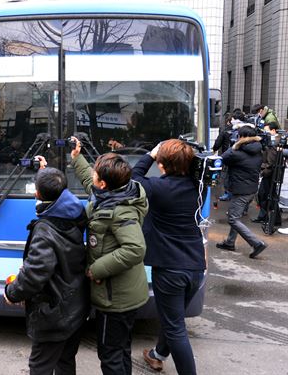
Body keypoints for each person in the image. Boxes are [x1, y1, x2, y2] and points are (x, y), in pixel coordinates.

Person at [70, 139, 149, 375]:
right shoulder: (113, 193)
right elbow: (89, 183)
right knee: (120, 348)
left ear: (103, 183)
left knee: (110, 355)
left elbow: (135, 249)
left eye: (96, 174)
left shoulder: (121, 210)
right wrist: (77, 158)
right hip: (122, 293)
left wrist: (96, 269)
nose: (92, 177)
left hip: (116, 299)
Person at [4, 167, 89, 375]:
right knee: (66, 361)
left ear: (38, 194)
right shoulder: (75, 212)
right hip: (76, 304)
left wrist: (11, 292)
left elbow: (35, 273)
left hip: (54, 311)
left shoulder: (46, 229)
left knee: (40, 367)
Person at [132, 140, 206, 374]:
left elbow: (133, 176)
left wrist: (150, 154)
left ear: (162, 164)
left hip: (170, 269)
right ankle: (158, 354)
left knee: (176, 328)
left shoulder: (157, 188)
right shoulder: (198, 186)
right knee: (173, 317)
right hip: (195, 267)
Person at [216, 126, 268, 258]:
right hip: (250, 189)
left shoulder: (237, 153)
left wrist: (235, 145)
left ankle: (257, 243)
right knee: (236, 216)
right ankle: (230, 242)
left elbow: (223, 158)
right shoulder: (258, 150)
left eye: (238, 136)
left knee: (233, 219)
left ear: (242, 138)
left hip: (241, 190)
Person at [252, 121, 283, 225]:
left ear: (273, 131)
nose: (265, 134)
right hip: (269, 173)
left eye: (267, 131)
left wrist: (263, 170)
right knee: (264, 195)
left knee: (269, 196)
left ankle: (274, 220)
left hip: (271, 174)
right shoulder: (270, 141)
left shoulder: (275, 143)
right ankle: (266, 217)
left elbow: (271, 162)